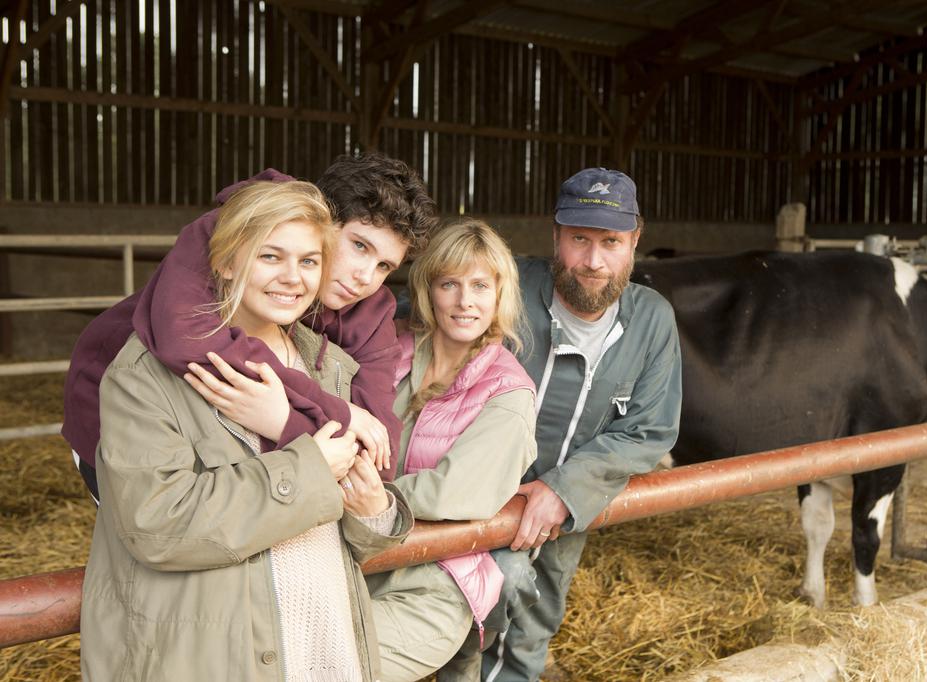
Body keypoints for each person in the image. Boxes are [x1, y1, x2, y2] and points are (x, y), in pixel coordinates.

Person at [80, 180, 413, 681]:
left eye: (307, 261)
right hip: (222, 657)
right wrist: (309, 471)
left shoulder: (331, 367)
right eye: (270, 256)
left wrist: (376, 515)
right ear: (228, 261)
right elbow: (157, 525)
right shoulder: (144, 376)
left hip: (327, 647)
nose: (292, 278)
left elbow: (346, 513)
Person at [63, 153, 437, 501]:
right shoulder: (242, 230)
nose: (365, 278)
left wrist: (286, 423)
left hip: (229, 440)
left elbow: (380, 446)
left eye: (385, 266)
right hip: (120, 410)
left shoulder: (370, 310)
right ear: (321, 217)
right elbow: (186, 341)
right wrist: (338, 413)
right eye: (359, 246)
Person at [481, 168, 683, 681]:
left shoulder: (652, 319)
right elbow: (408, 326)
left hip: (561, 515)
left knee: (529, 628)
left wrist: (564, 488)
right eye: (579, 240)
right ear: (555, 236)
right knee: (448, 626)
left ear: (635, 241)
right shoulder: (501, 285)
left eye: (611, 242)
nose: (593, 262)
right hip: (469, 501)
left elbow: (650, 430)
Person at [367, 219, 537, 682]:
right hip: (355, 560)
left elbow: (452, 493)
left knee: (327, 660)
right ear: (428, 289)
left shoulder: (508, 391)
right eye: (450, 284)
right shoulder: (387, 350)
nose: (466, 301)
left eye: (481, 285)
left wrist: (351, 495)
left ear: (500, 293)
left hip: (436, 578)